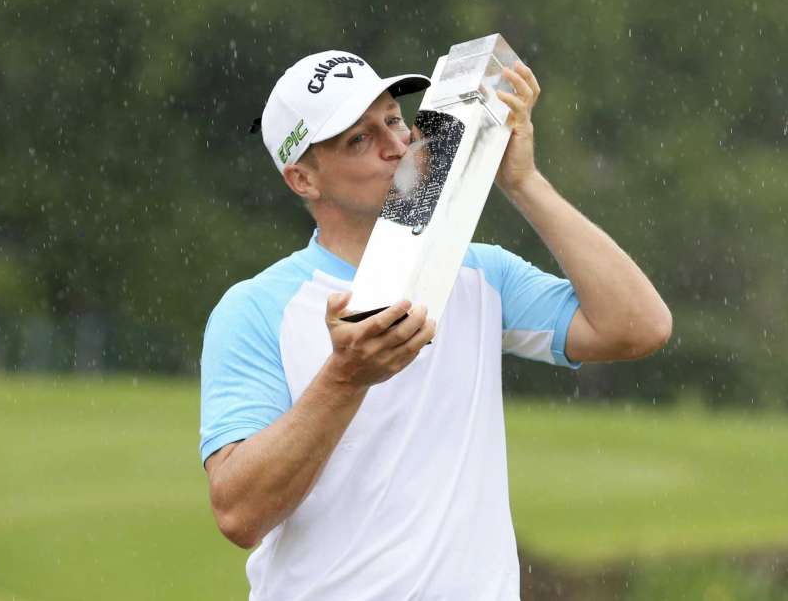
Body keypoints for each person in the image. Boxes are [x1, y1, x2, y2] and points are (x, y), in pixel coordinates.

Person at [200, 49, 672, 600]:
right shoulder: (255, 308)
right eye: (359, 139)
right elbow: (239, 514)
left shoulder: (478, 271)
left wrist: (523, 182)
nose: (396, 145)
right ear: (303, 179)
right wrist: (345, 378)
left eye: (394, 119)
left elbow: (639, 326)